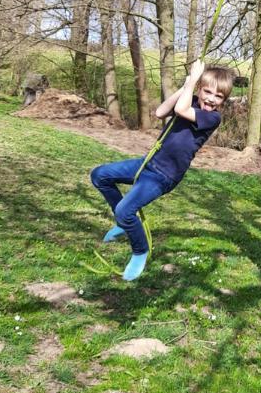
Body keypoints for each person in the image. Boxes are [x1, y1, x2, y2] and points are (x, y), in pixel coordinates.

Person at [90, 60, 233, 281]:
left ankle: (140, 251)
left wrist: (193, 81)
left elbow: (180, 110)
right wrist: (187, 85)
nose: (211, 99)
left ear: (223, 101)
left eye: (218, 96)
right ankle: (123, 223)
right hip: (148, 162)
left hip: (163, 176)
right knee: (99, 175)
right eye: (207, 92)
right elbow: (160, 112)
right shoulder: (191, 97)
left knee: (124, 210)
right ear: (199, 89)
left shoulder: (212, 117)